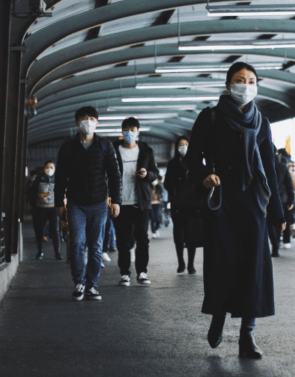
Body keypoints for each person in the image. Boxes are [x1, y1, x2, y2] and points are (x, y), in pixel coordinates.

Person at [185, 62, 285, 359]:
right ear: (229, 84)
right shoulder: (211, 117)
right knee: (222, 263)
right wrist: (204, 175)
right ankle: (218, 316)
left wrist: (277, 213)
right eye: (240, 79)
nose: (246, 84)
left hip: (254, 202)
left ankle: (247, 336)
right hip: (222, 201)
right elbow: (192, 159)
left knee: (254, 267)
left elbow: (269, 167)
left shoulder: (262, 122)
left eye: (251, 80)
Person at [55, 106, 122, 302]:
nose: (88, 121)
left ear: (97, 122)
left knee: (96, 245)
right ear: (77, 122)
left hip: (100, 204)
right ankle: (79, 283)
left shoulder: (105, 146)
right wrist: (60, 203)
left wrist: (116, 201)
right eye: (84, 118)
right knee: (76, 243)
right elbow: (60, 178)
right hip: (76, 204)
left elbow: (114, 175)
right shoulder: (68, 147)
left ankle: (92, 285)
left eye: (92, 118)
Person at [112, 117, 158, 286]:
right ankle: (125, 273)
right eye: (126, 129)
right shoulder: (114, 150)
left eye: (132, 129)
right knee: (122, 239)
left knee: (142, 238)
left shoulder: (146, 151)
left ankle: (142, 272)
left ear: (138, 132)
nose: (129, 132)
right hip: (120, 202)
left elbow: (155, 173)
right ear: (122, 132)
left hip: (141, 202)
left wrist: (147, 175)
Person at [165, 136, 202, 274]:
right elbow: (167, 184)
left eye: (186, 144)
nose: (184, 147)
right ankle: (181, 262)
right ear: (176, 147)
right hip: (177, 203)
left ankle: (191, 264)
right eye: (181, 144)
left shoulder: (195, 162)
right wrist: (175, 188)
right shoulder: (172, 164)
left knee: (191, 233)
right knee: (179, 233)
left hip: (192, 204)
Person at [29, 161, 62, 260]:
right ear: (44, 169)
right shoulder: (38, 180)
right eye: (48, 167)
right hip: (41, 208)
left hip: (53, 209)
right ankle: (40, 251)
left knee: (55, 231)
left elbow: (61, 192)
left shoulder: (58, 179)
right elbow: (32, 193)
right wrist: (39, 195)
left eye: (52, 167)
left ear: (55, 169)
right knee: (40, 230)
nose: (50, 169)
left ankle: (57, 252)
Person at [269, 151, 295, 256]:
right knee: (281, 221)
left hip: (268, 200)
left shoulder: (264, 165)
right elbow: (290, 186)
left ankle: (275, 245)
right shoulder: (283, 167)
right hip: (282, 200)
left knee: (270, 224)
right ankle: (283, 241)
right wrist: (291, 201)